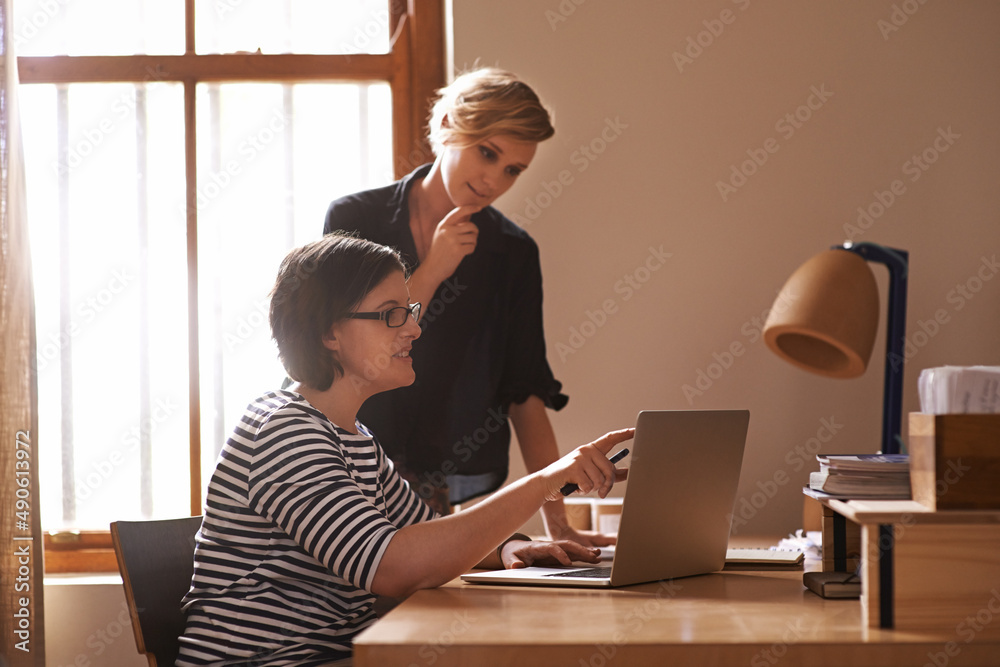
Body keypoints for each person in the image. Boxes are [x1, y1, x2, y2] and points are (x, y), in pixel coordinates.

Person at [176, 234, 632, 666]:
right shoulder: (284, 432)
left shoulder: (352, 437)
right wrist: (545, 481)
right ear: (329, 333)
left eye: (409, 310)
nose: (414, 327)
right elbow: (394, 567)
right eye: (391, 313)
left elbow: (426, 535)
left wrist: (512, 546)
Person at [323, 67, 606, 544]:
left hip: (430, 488)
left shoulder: (513, 253)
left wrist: (560, 525)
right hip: (339, 458)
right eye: (488, 153)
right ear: (451, 125)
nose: (493, 180)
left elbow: (525, 394)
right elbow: (343, 345)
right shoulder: (355, 218)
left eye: (512, 170)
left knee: (431, 611)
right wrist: (433, 268)